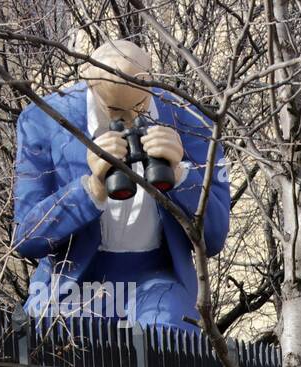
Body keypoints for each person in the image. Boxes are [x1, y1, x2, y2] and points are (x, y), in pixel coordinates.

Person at [13, 39, 230, 330]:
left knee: (169, 340)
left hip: (157, 281)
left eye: (140, 105)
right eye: (115, 110)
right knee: (50, 345)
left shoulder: (193, 122)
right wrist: (91, 190)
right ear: (90, 86)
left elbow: (215, 238)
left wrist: (180, 176)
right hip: (76, 281)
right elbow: (27, 239)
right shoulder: (43, 120)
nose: (130, 120)